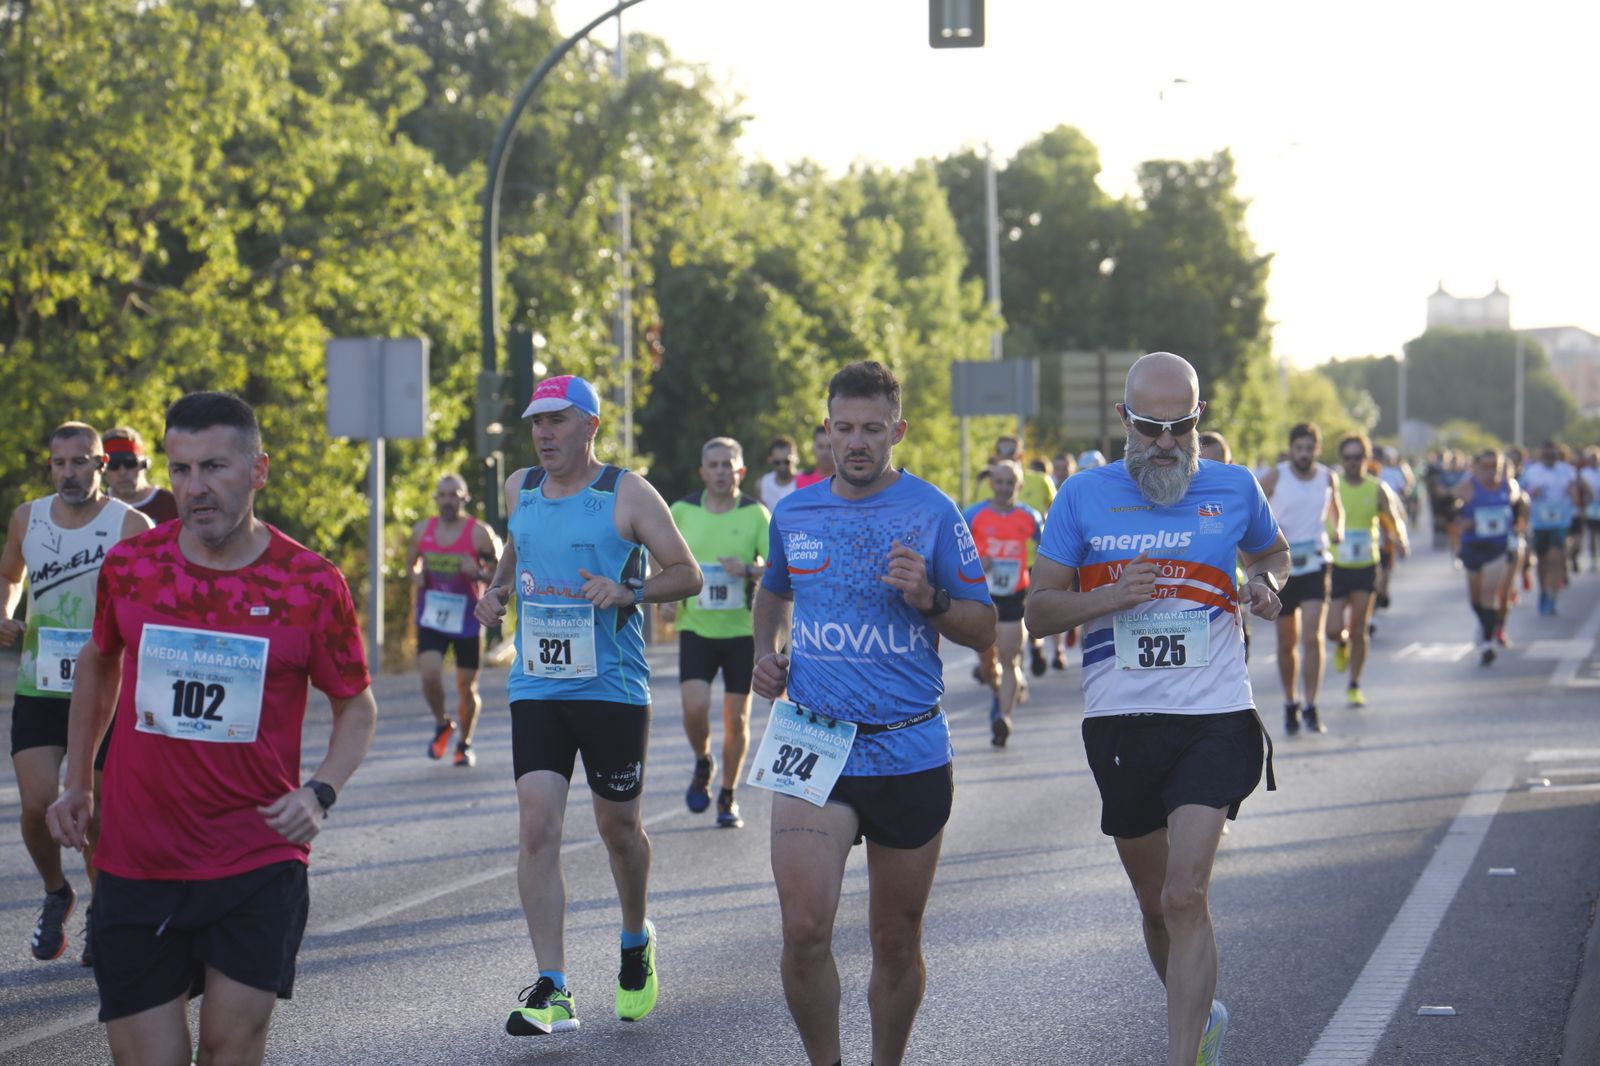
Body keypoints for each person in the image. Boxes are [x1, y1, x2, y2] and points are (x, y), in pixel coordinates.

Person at [44, 392, 376, 1066]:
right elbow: (99, 663)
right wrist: (78, 780)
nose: (195, 488)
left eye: (215, 468)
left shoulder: (310, 583)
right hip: (136, 857)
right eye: (182, 469)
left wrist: (321, 792)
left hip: (257, 858)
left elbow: (356, 704)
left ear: (258, 470)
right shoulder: (134, 568)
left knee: (229, 1051)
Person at [1026, 351, 1287, 1066]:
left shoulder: (1234, 488)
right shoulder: (1081, 495)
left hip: (1216, 716)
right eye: (1151, 429)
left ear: (1199, 420)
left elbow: (1276, 556)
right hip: (1120, 721)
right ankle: (1200, 1016)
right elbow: (1037, 612)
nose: (1167, 444)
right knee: (1154, 906)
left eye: (1182, 427)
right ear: (1124, 421)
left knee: (1183, 891)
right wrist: (1109, 596)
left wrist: (1264, 587)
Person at [751, 360, 995, 1066]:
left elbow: (984, 627)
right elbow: (774, 588)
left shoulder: (933, 512)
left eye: (871, 429)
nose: (855, 442)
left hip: (908, 746)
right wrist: (766, 650)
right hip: (811, 739)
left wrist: (930, 600)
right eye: (843, 428)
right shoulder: (795, 511)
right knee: (802, 927)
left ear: (898, 430)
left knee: (893, 939)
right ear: (825, 429)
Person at [476, 374, 701, 1037]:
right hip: (538, 687)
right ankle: (553, 987)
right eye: (536, 423)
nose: (543, 434)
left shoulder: (625, 492)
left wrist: (627, 592)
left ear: (590, 427)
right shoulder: (520, 486)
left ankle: (635, 939)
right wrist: (495, 595)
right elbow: (515, 552)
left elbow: (685, 572)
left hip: (611, 688)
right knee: (537, 825)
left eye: (557, 421)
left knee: (618, 832)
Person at [2, 423, 150, 966]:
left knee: (96, 812)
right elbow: (8, 575)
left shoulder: (131, 525)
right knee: (39, 804)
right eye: (59, 463)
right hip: (41, 683)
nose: (69, 473)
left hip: (107, 684)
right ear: (50, 467)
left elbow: (152, 602)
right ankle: (55, 891)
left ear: (102, 466)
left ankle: (100, 909)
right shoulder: (27, 518)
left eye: (80, 462)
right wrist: (4, 612)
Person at [663, 436, 770, 828]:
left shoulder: (756, 515)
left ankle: (728, 795)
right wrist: (667, 596)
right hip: (697, 628)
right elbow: (663, 559)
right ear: (702, 472)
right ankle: (703, 760)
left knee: (737, 719)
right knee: (693, 708)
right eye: (715, 465)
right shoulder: (682, 511)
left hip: (742, 631)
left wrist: (749, 570)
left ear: (741, 471)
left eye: (729, 464)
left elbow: (779, 568)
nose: (722, 472)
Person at [406, 474, 501, 768]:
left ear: (464, 498)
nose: (448, 500)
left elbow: (500, 572)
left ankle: (464, 743)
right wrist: (416, 575)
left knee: (466, 687)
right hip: (432, 616)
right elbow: (410, 563)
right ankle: (441, 723)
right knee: (429, 674)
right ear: (436, 499)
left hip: (468, 620)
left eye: (453, 495)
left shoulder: (479, 534)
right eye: (443, 495)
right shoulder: (422, 530)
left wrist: (479, 575)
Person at [1259, 423, 1343, 735]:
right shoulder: (1276, 476)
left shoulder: (1326, 476)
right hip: (1284, 565)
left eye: (1310, 449)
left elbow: (1336, 507)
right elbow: (1255, 505)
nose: (1304, 454)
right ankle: (1289, 702)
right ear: (1292, 449)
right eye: (1299, 448)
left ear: (1316, 450)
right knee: (1287, 641)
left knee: (1313, 637)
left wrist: (1338, 528)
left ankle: (1311, 704)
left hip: (1317, 563)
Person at [963, 459, 1044, 747]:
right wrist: (975, 564)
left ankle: (1004, 717)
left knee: (1009, 657)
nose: (1004, 488)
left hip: (1013, 595)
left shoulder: (1029, 517)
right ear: (990, 483)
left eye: (1010, 483)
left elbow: (1050, 549)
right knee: (989, 664)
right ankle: (999, 692)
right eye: (999, 482)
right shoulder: (974, 515)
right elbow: (954, 552)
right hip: (981, 596)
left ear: (1019, 486)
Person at [1325, 434, 1409, 707]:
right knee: (1333, 629)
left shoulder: (1377, 488)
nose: (1352, 463)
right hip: (1337, 565)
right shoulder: (1332, 485)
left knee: (1360, 627)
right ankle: (1341, 643)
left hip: (1365, 565)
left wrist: (1400, 539)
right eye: (1347, 458)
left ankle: (1354, 684)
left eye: (1357, 457)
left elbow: (1392, 518)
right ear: (1341, 460)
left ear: (1366, 459)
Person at [1452, 449, 1524, 664]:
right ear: (1476, 468)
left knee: (1490, 593)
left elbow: (1519, 506)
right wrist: (1463, 522)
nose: (1491, 471)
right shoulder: (1467, 487)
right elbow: (1448, 508)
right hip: (1474, 546)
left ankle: (1487, 642)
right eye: (1486, 466)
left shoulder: (1508, 486)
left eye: (1496, 467)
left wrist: (1519, 526)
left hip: (1498, 547)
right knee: (1475, 598)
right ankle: (1485, 625)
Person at [1521, 440, 1581, 615]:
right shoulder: (1532, 472)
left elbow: (1576, 494)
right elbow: (1521, 494)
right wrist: (1533, 492)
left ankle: (1553, 597)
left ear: (1557, 454)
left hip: (1560, 522)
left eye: (1552, 455)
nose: (1549, 458)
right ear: (1541, 455)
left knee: (1555, 559)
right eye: (1546, 455)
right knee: (1543, 562)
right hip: (1540, 522)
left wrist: (1573, 494)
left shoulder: (1567, 471)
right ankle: (1544, 591)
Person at [101, 427, 180, 524]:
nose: (122, 472)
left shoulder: (171, 505)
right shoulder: (96, 507)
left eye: (130, 463)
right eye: (113, 464)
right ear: (103, 469)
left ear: (144, 464)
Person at [758, 435, 801, 512]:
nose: (782, 466)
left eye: (787, 462)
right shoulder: (762, 484)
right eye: (777, 462)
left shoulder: (805, 482)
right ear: (770, 460)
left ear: (796, 458)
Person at [795, 424, 836, 489]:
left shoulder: (845, 481)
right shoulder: (802, 480)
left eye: (829, 447)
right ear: (813, 448)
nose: (825, 452)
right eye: (820, 446)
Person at [1580, 447, 1600, 573]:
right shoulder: (1584, 473)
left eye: (1596, 459)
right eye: (1592, 459)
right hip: (1591, 507)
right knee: (1592, 534)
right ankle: (1593, 559)